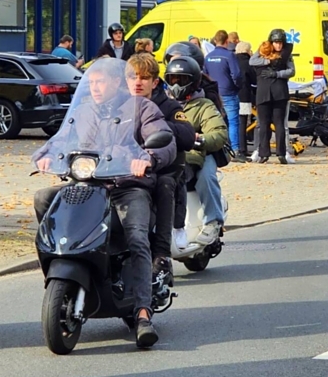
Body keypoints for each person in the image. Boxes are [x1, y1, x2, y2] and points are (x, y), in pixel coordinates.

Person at [33, 58, 175, 348]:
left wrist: (148, 158)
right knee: (44, 199)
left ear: (117, 82)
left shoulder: (141, 108)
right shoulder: (83, 112)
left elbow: (165, 140)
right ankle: (65, 264)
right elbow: (60, 139)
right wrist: (46, 155)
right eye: (92, 82)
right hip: (88, 185)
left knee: (137, 236)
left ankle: (143, 312)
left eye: (101, 82)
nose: (95, 88)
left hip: (127, 187)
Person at [126, 54, 195, 283]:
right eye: (133, 77)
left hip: (164, 168)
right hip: (125, 170)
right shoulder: (119, 106)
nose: (138, 82)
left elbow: (186, 136)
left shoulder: (168, 105)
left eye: (144, 78)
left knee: (165, 185)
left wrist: (162, 129)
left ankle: (162, 255)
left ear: (155, 82)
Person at [165, 56, 228, 246]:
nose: (176, 85)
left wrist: (199, 139)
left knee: (207, 177)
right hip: (168, 154)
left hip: (199, 154)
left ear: (193, 81)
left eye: (181, 80)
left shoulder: (204, 105)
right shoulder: (162, 103)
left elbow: (219, 133)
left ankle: (213, 221)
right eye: (172, 80)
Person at [250, 30, 295, 164]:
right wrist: (269, 61)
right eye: (276, 42)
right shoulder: (262, 55)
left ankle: (281, 153)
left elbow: (292, 71)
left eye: (280, 43)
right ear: (271, 42)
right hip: (264, 93)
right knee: (263, 125)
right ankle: (264, 153)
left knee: (279, 124)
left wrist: (277, 74)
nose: (279, 46)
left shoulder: (286, 55)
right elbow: (252, 61)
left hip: (278, 93)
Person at [204, 30, 243, 150]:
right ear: (227, 41)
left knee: (217, 122)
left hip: (215, 94)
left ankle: (220, 148)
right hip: (229, 92)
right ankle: (235, 149)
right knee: (233, 122)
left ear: (215, 41)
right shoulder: (229, 55)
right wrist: (237, 86)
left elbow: (205, 75)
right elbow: (236, 74)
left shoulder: (208, 57)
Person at [234, 41, 255, 160]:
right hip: (245, 95)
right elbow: (254, 80)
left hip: (233, 94)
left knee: (233, 122)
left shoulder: (232, 61)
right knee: (242, 123)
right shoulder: (248, 63)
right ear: (247, 51)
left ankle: (237, 147)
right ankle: (242, 149)